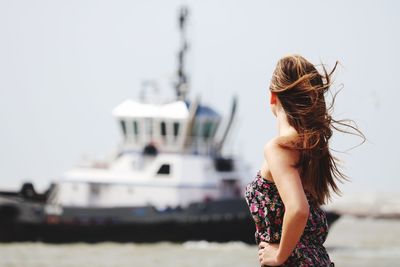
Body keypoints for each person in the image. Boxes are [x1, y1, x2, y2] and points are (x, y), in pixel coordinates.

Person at [244, 54, 365, 266]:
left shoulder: (278, 148)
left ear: (273, 96)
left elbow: (299, 209)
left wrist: (279, 255)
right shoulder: (310, 150)